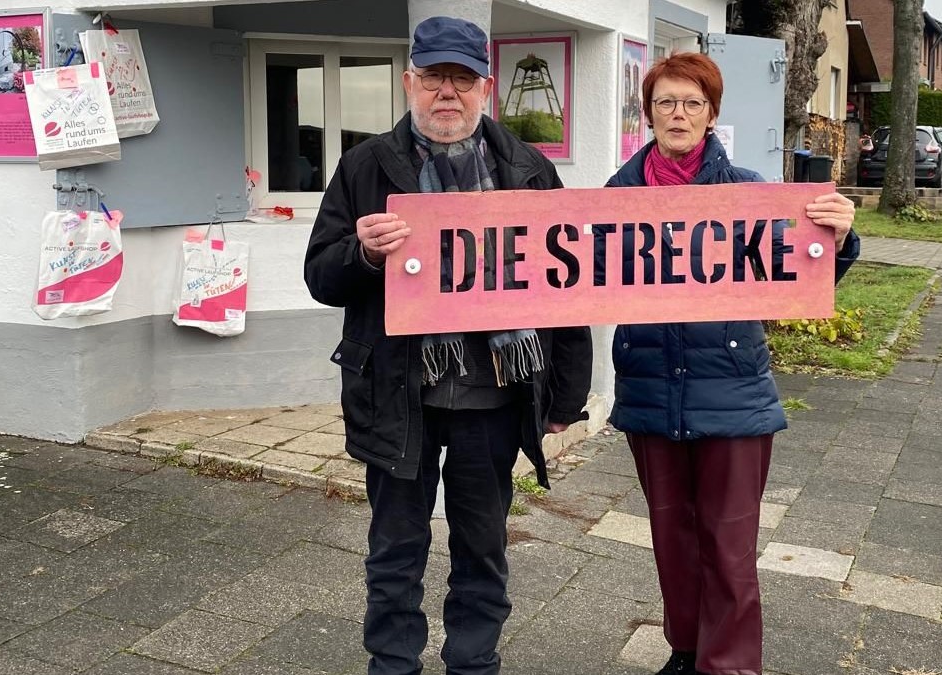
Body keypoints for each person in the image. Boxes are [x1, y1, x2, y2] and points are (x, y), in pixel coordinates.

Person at [304, 16, 593, 675]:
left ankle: (473, 662)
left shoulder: (528, 171)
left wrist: (565, 395)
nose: (447, 93)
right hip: (397, 392)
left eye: (462, 80)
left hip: (495, 395)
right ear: (409, 82)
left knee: (483, 549)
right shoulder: (365, 166)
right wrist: (362, 254)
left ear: (485, 89)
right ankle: (393, 663)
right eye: (434, 77)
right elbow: (320, 274)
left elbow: (566, 288)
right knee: (394, 551)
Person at [605, 52, 860, 675]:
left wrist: (838, 238)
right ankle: (687, 650)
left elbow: (799, 274)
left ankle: (731, 666)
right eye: (666, 102)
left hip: (732, 394)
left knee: (729, 546)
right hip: (650, 391)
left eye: (692, 103)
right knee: (672, 540)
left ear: (712, 114)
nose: (679, 114)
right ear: (648, 114)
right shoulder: (616, 196)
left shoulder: (749, 193)